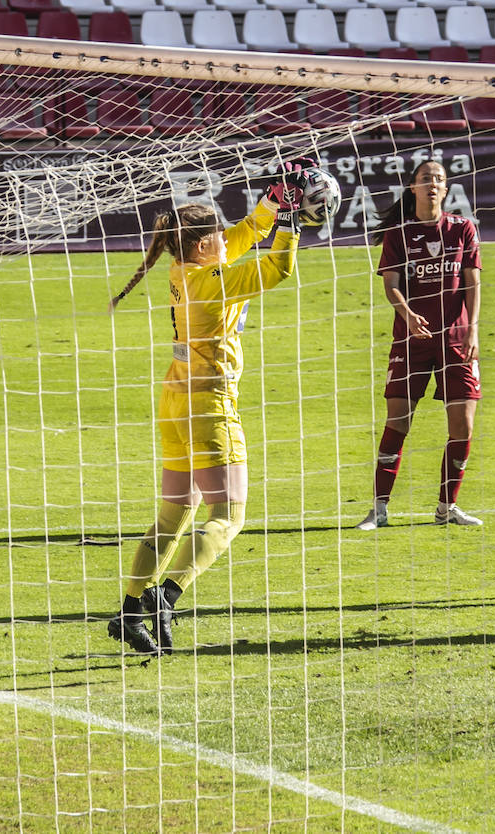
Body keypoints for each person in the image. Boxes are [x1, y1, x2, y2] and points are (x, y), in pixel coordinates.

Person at [105, 159, 308, 655]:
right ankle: (166, 597)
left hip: (174, 400)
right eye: (216, 235)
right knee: (229, 515)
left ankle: (131, 608)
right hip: (211, 405)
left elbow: (240, 237)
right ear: (202, 246)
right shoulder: (211, 285)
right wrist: (292, 226)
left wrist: (272, 203)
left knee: (175, 511)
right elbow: (277, 267)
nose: (226, 239)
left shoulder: (185, 269)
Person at [356, 159, 484, 531]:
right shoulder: (399, 233)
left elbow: (472, 282)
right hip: (411, 340)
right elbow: (390, 282)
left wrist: (472, 329)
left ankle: (448, 507)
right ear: (412, 188)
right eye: (426, 179)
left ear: (446, 190)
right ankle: (379, 509)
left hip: (457, 340)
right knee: (398, 420)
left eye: (439, 180)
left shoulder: (462, 228)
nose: (432, 184)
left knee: (462, 427)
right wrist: (408, 314)